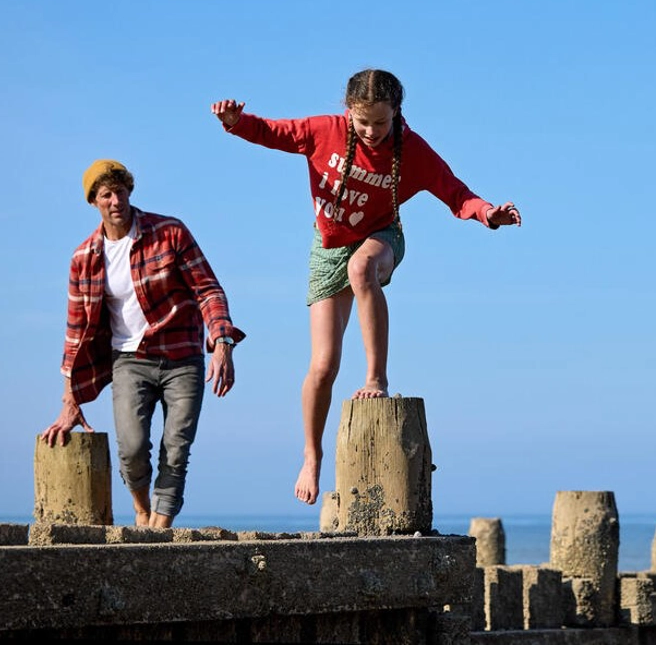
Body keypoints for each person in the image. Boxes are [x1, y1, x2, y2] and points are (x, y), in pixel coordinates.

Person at [211, 68, 521, 506]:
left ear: (397, 113)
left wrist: (488, 213)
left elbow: (456, 193)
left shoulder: (411, 151)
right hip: (328, 246)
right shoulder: (324, 131)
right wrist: (235, 122)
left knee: (363, 269)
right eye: (363, 122)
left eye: (381, 121)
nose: (373, 131)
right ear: (348, 112)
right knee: (323, 366)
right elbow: (271, 132)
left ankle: (376, 376)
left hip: (382, 238)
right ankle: (312, 455)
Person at [41, 159, 245, 527]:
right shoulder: (83, 259)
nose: (115, 200)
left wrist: (222, 342)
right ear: (94, 202)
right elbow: (76, 332)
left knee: (176, 447)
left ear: (129, 192)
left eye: (120, 191)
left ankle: (159, 530)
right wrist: (69, 401)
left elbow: (208, 289)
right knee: (132, 449)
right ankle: (141, 509)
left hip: (182, 356)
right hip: (129, 360)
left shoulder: (170, 232)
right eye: (106, 195)